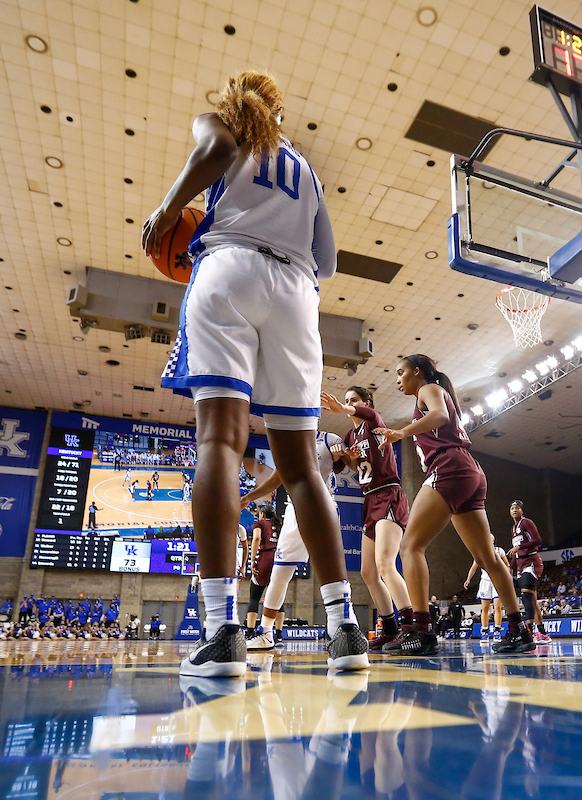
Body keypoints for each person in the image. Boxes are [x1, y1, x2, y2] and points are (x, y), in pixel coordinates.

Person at [145, 70, 365, 675]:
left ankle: (221, 631)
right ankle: (345, 629)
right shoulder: (305, 167)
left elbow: (212, 151)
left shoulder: (223, 125)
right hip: (298, 291)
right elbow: (330, 260)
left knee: (219, 438)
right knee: (300, 466)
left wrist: (169, 212)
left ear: (229, 98)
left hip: (228, 266)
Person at [374, 354, 534, 655]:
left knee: (410, 547)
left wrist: (403, 432)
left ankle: (421, 629)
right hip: (468, 471)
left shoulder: (428, 389)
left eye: (401, 373)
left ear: (417, 372)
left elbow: (440, 416)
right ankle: (518, 629)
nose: (397, 380)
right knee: (488, 556)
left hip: (449, 469)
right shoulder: (434, 391)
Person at [322, 387, 414, 650]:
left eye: (354, 400)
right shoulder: (351, 435)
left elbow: (365, 413)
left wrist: (343, 407)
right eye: (347, 400)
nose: (349, 404)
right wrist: (344, 458)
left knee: (385, 564)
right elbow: (357, 467)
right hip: (369, 499)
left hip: (388, 494)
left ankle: (409, 626)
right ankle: (390, 627)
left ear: (366, 402)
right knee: (368, 572)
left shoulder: (374, 420)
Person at [240, 428, 344, 651]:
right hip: (295, 510)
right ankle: (266, 632)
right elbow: (276, 479)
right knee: (279, 573)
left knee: (332, 569)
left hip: (324, 506)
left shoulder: (330, 438)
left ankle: (342, 629)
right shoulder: (290, 442)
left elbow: (351, 465)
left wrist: (342, 458)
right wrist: (248, 497)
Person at [507, 501, 550, 643]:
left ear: (522, 511)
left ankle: (528, 632)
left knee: (526, 596)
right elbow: (516, 552)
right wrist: (511, 567)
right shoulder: (513, 528)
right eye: (512, 508)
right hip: (520, 565)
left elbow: (537, 540)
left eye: (517, 508)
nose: (514, 510)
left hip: (531, 562)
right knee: (532, 600)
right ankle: (543, 634)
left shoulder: (526, 522)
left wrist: (519, 546)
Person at [245, 503, 281, 630]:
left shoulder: (259, 524)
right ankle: (278, 634)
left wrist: (252, 560)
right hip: (279, 558)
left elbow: (256, 539)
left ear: (262, 514)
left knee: (254, 597)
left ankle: (250, 631)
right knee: (277, 597)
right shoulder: (278, 525)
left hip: (265, 558)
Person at [465, 544, 510, 641]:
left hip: (497, 581)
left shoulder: (499, 550)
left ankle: (497, 631)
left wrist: (507, 577)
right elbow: (474, 567)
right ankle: (484, 632)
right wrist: (468, 579)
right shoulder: (480, 552)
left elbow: (507, 565)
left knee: (497, 607)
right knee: (485, 608)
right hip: (485, 582)